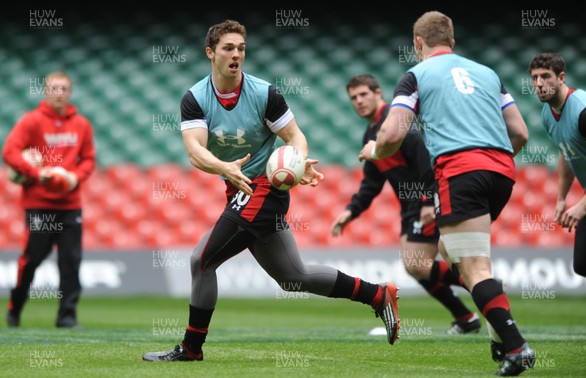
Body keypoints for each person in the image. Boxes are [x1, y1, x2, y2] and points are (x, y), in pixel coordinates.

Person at [142, 19, 399, 362]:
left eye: (241, 48)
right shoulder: (196, 98)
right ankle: (378, 294)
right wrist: (225, 169)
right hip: (237, 188)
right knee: (294, 277)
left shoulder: (264, 94)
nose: (236, 54)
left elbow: (295, 136)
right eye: (228, 48)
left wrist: (298, 161)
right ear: (210, 53)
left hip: (264, 188)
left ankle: (191, 348)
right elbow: (195, 151)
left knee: (201, 262)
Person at [359, 11, 534, 376]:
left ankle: (515, 346)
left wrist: (374, 151)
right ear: (452, 41)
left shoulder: (416, 76)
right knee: (446, 251)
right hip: (502, 171)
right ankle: (499, 330)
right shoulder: (487, 73)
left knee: (473, 268)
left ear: (418, 44)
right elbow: (520, 133)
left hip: (460, 172)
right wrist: (491, 159)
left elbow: (391, 135)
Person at [331, 74, 481, 335]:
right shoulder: (370, 133)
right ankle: (468, 312)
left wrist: (426, 200)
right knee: (416, 267)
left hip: (429, 197)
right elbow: (372, 182)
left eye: (364, 94)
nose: (359, 101)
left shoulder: (397, 122)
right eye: (353, 98)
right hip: (410, 205)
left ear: (378, 93)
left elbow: (426, 160)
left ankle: (480, 283)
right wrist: (351, 211)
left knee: (416, 264)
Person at [3, 71, 96, 328]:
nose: (59, 93)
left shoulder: (81, 124)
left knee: (71, 262)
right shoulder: (31, 121)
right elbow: (10, 151)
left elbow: (88, 159)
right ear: (45, 91)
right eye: (54, 88)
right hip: (39, 205)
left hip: (70, 205)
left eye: (63, 88)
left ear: (69, 92)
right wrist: (36, 173)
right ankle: (15, 308)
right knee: (31, 260)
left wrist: (75, 178)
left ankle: (67, 317)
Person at [529, 53, 586, 279]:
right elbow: (565, 149)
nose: (539, 84)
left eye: (545, 77)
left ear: (561, 77)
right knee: (584, 265)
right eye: (534, 78)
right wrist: (562, 198)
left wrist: (582, 205)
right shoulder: (547, 114)